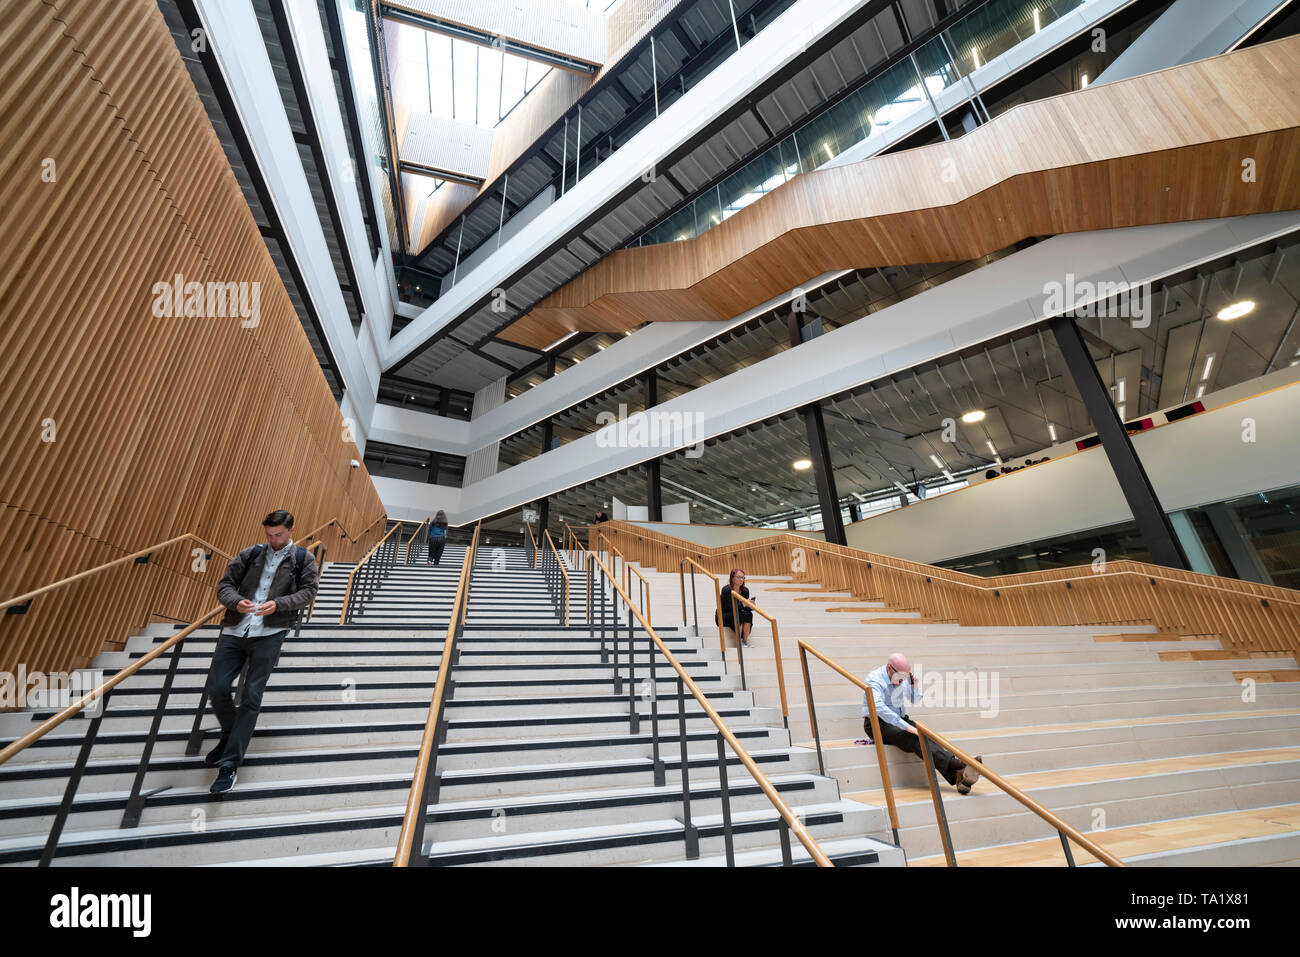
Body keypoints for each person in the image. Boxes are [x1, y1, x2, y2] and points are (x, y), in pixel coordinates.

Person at [206, 510, 318, 793]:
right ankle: (232, 734)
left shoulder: (304, 558)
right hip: (236, 628)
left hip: (269, 633)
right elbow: (224, 586)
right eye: (269, 534)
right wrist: (236, 601)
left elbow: (308, 592)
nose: (273, 539)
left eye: (278, 534)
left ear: (291, 530)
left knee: (251, 696)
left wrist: (279, 604)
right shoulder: (250, 554)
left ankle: (229, 764)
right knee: (217, 687)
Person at [863, 653, 982, 795]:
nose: (902, 680)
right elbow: (880, 709)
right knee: (912, 737)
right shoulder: (874, 679)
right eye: (900, 676)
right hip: (877, 723)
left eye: (905, 677)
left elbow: (915, 700)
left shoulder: (902, 677)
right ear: (889, 668)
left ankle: (959, 776)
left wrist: (914, 686)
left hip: (899, 719)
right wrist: (907, 727)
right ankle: (959, 764)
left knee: (925, 734)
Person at [718, 568, 755, 648]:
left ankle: (744, 641)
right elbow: (732, 607)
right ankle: (738, 643)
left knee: (748, 614)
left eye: (743, 578)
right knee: (739, 614)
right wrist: (744, 604)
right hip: (724, 615)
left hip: (738, 613)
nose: (741, 580)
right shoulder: (726, 590)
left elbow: (744, 608)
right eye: (739, 577)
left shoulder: (745, 591)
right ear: (732, 578)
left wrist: (751, 606)